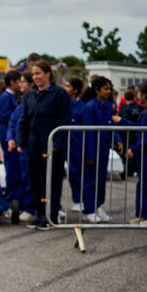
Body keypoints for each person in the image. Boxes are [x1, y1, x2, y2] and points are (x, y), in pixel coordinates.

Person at [16, 60, 73, 230]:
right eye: (33, 74)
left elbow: (65, 121)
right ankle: (39, 214)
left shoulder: (59, 94)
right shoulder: (31, 96)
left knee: (52, 181)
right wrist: (21, 141)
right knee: (36, 181)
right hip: (33, 144)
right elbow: (24, 120)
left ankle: (51, 216)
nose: (35, 77)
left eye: (38, 73)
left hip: (51, 146)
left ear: (48, 74)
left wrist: (57, 143)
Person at [78, 75, 124, 224]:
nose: (108, 92)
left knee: (101, 180)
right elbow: (89, 132)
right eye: (105, 89)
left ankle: (97, 206)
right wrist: (90, 154)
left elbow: (111, 125)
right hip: (93, 148)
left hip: (104, 148)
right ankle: (88, 210)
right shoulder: (90, 107)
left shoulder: (106, 105)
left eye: (110, 89)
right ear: (96, 90)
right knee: (91, 180)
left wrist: (117, 140)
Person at [122, 81, 147, 224]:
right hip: (146, 152)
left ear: (145, 94)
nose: (138, 95)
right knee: (143, 183)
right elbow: (139, 127)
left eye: (139, 92)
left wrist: (133, 148)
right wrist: (122, 120)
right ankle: (143, 215)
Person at [6, 73, 35, 216]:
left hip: (27, 145)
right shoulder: (21, 101)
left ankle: (29, 208)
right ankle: (19, 205)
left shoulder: (34, 100)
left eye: (23, 82)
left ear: (31, 84)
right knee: (16, 177)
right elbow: (12, 122)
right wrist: (10, 138)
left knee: (28, 178)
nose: (20, 84)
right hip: (16, 146)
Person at [0, 70, 21, 210]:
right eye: (19, 81)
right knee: (11, 168)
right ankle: (10, 197)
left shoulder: (12, 96)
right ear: (12, 82)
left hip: (10, 134)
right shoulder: (6, 97)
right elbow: (5, 117)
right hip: (7, 135)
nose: (20, 84)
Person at [62, 77, 85, 212]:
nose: (65, 88)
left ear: (75, 90)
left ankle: (78, 200)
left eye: (68, 86)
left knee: (75, 172)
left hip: (75, 143)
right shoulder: (62, 103)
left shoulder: (82, 106)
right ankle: (57, 206)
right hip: (61, 141)